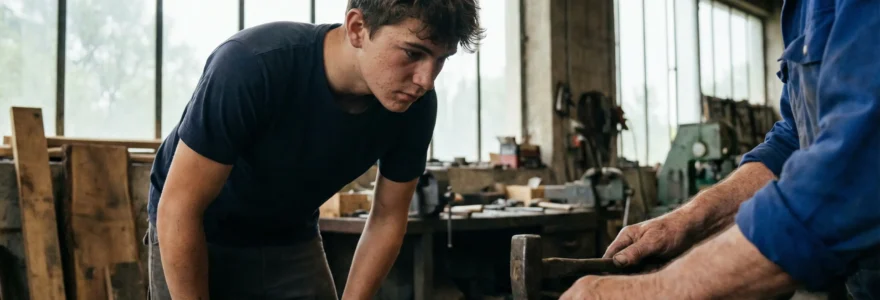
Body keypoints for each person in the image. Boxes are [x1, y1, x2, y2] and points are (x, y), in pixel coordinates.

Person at [144, 0, 484, 299]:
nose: (426, 80)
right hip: (197, 228)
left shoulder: (416, 106)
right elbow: (179, 207)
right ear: (357, 28)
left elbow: (387, 218)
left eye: (441, 60)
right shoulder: (252, 65)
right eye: (413, 53)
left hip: (291, 233)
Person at [561, 0, 879, 299]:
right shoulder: (798, 10)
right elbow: (794, 139)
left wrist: (655, 290)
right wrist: (691, 219)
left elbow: (854, 170)